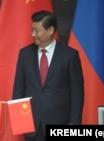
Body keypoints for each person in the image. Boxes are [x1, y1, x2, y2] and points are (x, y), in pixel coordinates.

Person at [12, 10, 84, 141]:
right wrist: (19, 121)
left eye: (37, 30)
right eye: (32, 30)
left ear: (50, 30)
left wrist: (74, 124)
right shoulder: (25, 54)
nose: (33, 34)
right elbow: (18, 89)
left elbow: (77, 93)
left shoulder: (70, 55)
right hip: (31, 127)